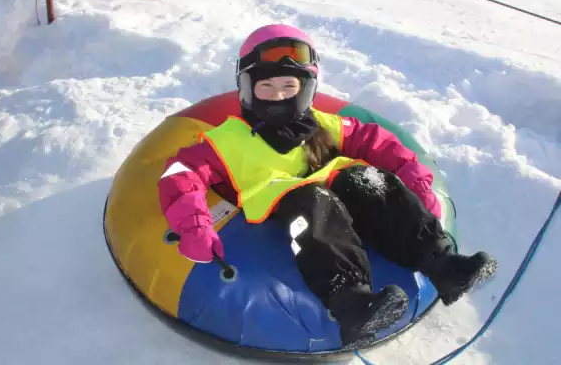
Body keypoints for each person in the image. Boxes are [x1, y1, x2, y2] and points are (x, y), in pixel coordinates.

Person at [157, 24, 497, 347]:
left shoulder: (319, 123)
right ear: (246, 89)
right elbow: (179, 173)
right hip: (294, 205)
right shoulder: (226, 140)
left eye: (288, 87)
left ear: (306, 89)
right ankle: (351, 302)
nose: (278, 96)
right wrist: (194, 224)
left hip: (337, 193)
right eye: (266, 87)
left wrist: (416, 183)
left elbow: (375, 141)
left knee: (367, 181)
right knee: (314, 201)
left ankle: (442, 263)